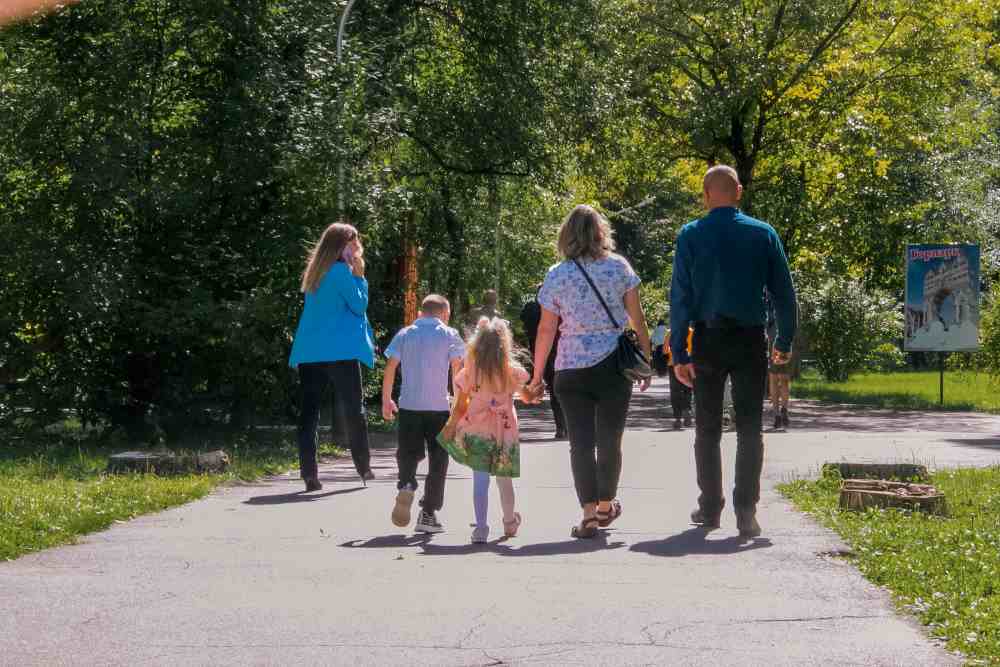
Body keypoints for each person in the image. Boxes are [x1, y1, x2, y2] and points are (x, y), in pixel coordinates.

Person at [670, 165, 796, 538]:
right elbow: (784, 296)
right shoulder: (763, 234)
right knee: (749, 428)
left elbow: (680, 298)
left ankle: (710, 508)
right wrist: (783, 341)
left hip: (708, 340)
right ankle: (746, 510)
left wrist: (679, 352)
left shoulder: (691, 235)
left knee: (707, 428)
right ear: (738, 191)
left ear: (706, 194)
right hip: (749, 339)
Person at [528, 204, 653, 539]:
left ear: (566, 235)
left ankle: (588, 516)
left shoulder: (557, 274)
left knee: (580, 444)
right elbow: (637, 317)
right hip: (613, 365)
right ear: (601, 232)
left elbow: (545, 330)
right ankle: (604, 505)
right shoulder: (619, 267)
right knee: (610, 440)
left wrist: (537, 375)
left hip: (569, 368)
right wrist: (646, 358)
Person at [289, 222, 376, 492]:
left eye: (356, 244)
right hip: (340, 351)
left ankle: (309, 475)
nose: (355, 249)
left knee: (309, 413)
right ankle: (363, 467)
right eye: (351, 244)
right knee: (354, 410)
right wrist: (360, 276)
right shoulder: (341, 272)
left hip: (310, 351)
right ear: (339, 246)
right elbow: (359, 306)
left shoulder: (315, 272)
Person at [438, 317, 528, 544]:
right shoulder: (512, 372)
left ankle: (481, 528)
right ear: (504, 345)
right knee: (504, 480)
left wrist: (450, 426)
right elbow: (527, 396)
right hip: (504, 433)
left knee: (480, 481)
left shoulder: (471, 372)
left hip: (478, 432)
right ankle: (509, 522)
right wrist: (534, 391)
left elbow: (460, 405)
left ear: (477, 345)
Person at [381, 294, 465, 533]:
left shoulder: (406, 333)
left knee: (408, 453)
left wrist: (387, 400)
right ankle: (428, 512)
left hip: (409, 406)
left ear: (420, 313)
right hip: (438, 407)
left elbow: (390, 367)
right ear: (445, 314)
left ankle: (406, 483)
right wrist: (458, 407)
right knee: (439, 460)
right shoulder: (450, 334)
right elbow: (457, 371)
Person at [520, 285, 567, 439]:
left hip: (540, 354)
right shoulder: (558, 307)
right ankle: (566, 426)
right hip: (561, 351)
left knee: (554, 391)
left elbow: (524, 322)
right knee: (563, 390)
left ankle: (561, 427)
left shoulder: (530, 309)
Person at [666, 326, 693, 430]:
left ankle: (677, 418)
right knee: (687, 389)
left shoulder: (671, 331)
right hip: (688, 363)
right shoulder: (691, 331)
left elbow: (665, 349)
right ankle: (687, 409)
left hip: (673, 363)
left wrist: (670, 353)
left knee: (675, 391)